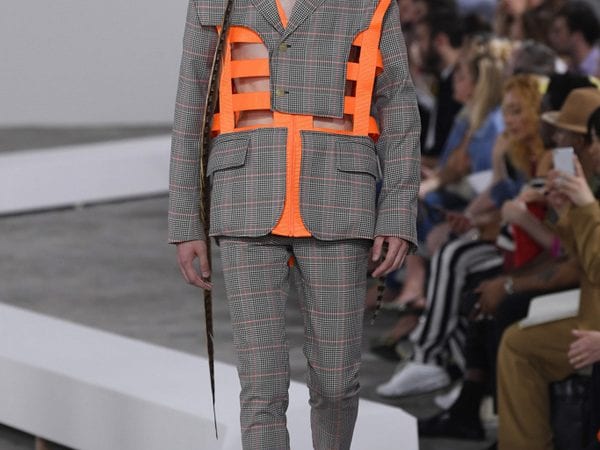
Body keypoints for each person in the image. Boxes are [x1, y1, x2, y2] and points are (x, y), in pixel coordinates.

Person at [168, 1, 421, 449]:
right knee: (261, 387)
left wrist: (398, 210)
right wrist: (187, 220)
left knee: (337, 382)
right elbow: (192, 101)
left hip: (340, 195)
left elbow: (398, 101)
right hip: (245, 194)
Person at [496, 99, 600, 449]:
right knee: (515, 339)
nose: (591, 148)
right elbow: (579, 254)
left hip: (593, 319)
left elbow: (591, 265)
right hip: (591, 312)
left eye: (593, 139)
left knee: (517, 343)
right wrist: (567, 213)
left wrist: (585, 207)